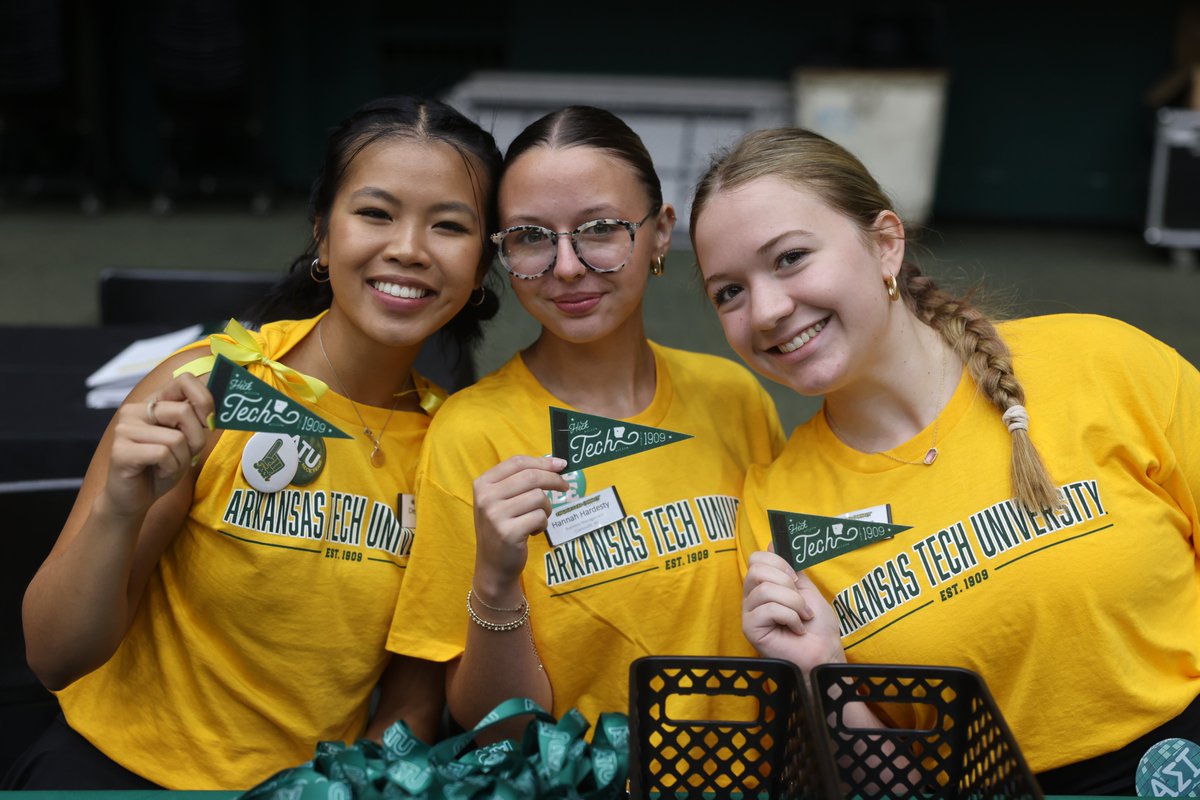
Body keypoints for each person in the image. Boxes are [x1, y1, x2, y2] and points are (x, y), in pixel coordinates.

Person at [9, 95, 503, 790]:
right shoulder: (206, 387)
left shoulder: (454, 443)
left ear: (481, 267)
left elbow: (411, 700)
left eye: (450, 226)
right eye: (374, 213)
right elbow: (54, 657)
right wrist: (118, 513)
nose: (409, 248)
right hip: (112, 775)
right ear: (323, 238)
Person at [688, 126, 1200, 795]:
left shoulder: (1106, 364)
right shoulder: (777, 517)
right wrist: (819, 669)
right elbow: (893, 788)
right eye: (729, 292)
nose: (767, 310)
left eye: (789, 258)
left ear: (886, 244)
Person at [387, 106, 785, 735]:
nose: (566, 266)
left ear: (659, 234)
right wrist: (494, 580)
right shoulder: (471, 434)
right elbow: (495, 731)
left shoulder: (734, 397)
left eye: (599, 229)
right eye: (530, 237)